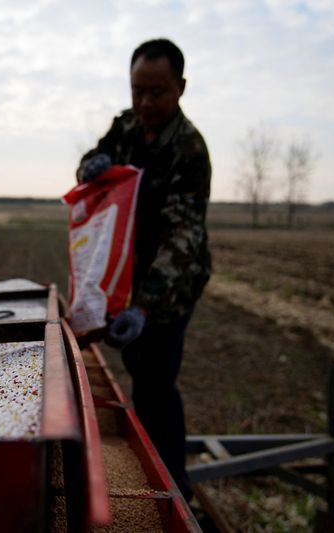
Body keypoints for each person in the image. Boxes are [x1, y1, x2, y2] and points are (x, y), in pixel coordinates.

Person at [76, 38, 212, 501]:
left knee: (155, 379)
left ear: (181, 88)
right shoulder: (126, 127)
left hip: (170, 285)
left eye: (157, 92)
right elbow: (90, 169)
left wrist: (146, 307)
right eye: (137, 91)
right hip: (128, 272)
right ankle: (149, 460)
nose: (145, 103)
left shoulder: (190, 151)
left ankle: (175, 485)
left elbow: (182, 240)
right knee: (137, 364)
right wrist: (88, 168)